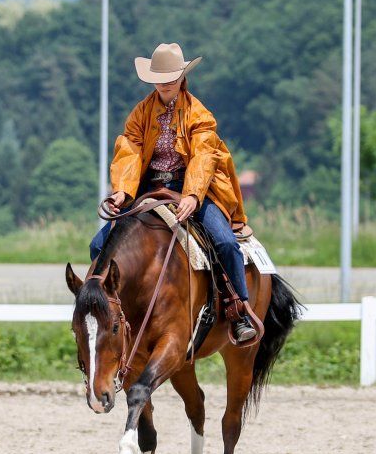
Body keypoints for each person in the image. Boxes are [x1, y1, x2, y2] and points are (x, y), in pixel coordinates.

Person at [89, 42, 256, 343]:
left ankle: (238, 309)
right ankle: (113, 312)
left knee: (225, 242)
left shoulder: (199, 114)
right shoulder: (140, 113)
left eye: (171, 76)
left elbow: (204, 155)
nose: (165, 82)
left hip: (193, 188)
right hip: (150, 188)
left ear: (181, 77)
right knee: (98, 245)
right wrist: (122, 193)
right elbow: (129, 150)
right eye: (160, 76)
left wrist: (192, 195)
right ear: (152, 78)